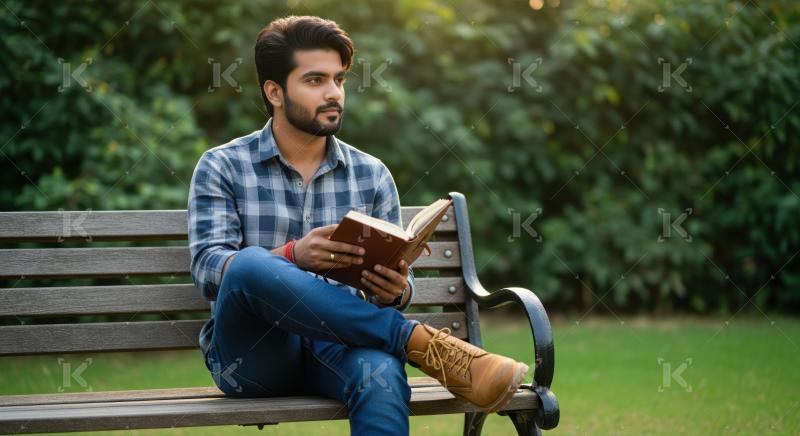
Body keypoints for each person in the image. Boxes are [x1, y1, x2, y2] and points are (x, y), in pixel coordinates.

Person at [188, 15, 528, 436]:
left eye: (339, 79)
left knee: (382, 374)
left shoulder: (371, 174)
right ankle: (415, 342)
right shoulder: (223, 166)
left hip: (343, 345)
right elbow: (208, 268)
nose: (333, 93)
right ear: (274, 92)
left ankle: (403, 343)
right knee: (246, 266)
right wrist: (294, 255)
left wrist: (396, 288)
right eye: (315, 80)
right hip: (255, 356)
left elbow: (403, 284)